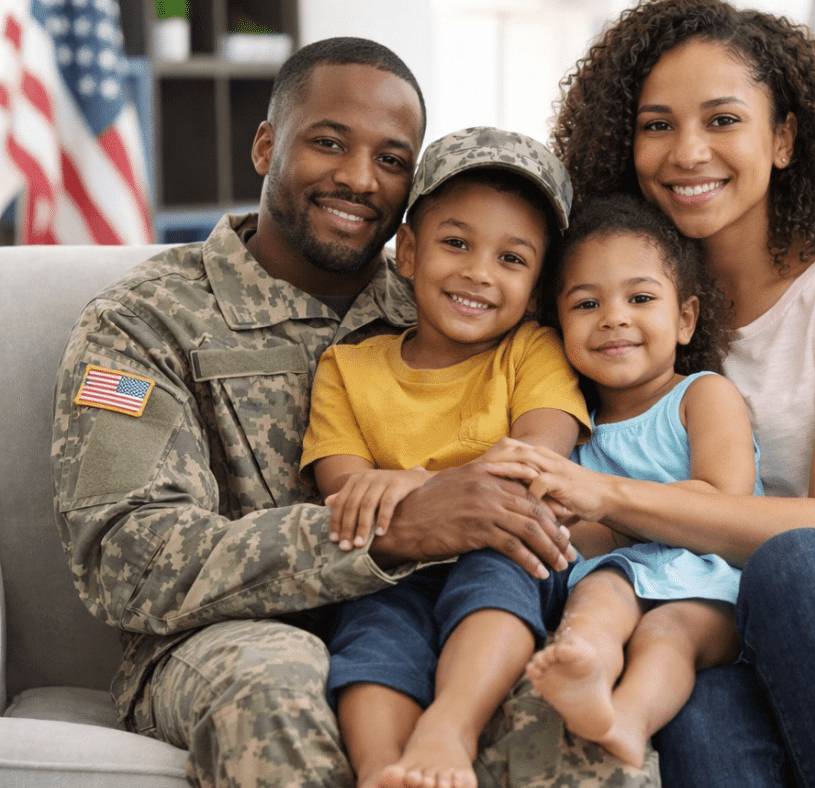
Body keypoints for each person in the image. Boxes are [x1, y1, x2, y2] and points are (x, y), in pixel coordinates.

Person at [50, 37, 654, 788]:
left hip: (453, 602)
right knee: (281, 687)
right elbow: (125, 557)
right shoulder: (144, 321)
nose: (359, 177)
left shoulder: (454, 296)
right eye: (329, 143)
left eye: (392, 160)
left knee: (566, 714)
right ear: (267, 145)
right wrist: (397, 528)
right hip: (230, 637)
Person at [493, 1, 815, 785]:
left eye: (723, 119)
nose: (687, 152)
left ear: (784, 138)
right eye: (657, 125)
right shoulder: (612, 319)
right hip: (714, 614)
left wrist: (605, 493)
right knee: (692, 705)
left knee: (798, 563)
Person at [300, 126, 590, 788]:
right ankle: (382, 772)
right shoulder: (347, 367)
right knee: (371, 629)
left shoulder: (533, 352)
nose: (479, 273)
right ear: (407, 251)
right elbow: (349, 502)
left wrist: (410, 482)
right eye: (455, 243)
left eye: (512, 260)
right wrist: (411, 497)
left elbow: (535, 465)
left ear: (539, 282)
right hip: (395, 565)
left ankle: (448, 729)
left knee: (499, 569)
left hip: (504, 546)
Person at [497, 193, 761, 771]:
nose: (614, 317)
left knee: (669, 628)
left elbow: (725, 499)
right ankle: (583, 664)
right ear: (558, 325)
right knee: (597, 598)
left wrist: (608, 513)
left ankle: (629, 718)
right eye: (587, 303)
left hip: (711, 583)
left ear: (685, 318)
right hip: (620, 579)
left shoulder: (702, 396)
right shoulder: (573, 429)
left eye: (640, 298)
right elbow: (581, 540)